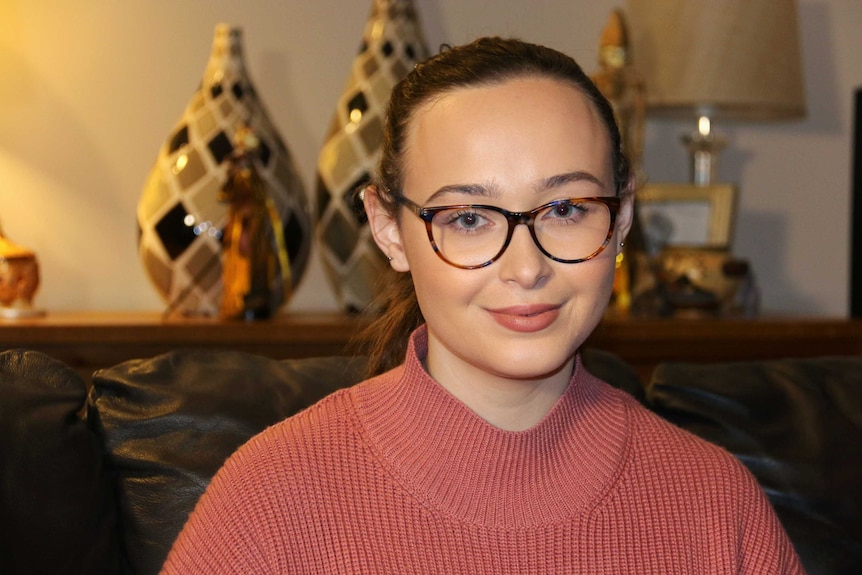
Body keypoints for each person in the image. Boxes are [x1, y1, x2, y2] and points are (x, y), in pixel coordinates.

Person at [161, 37, 803, 574]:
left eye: (568, 209)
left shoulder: (718, 507)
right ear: (390, 231)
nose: (527, 268)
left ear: (624, 215)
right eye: (469, 217)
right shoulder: (272, 498)